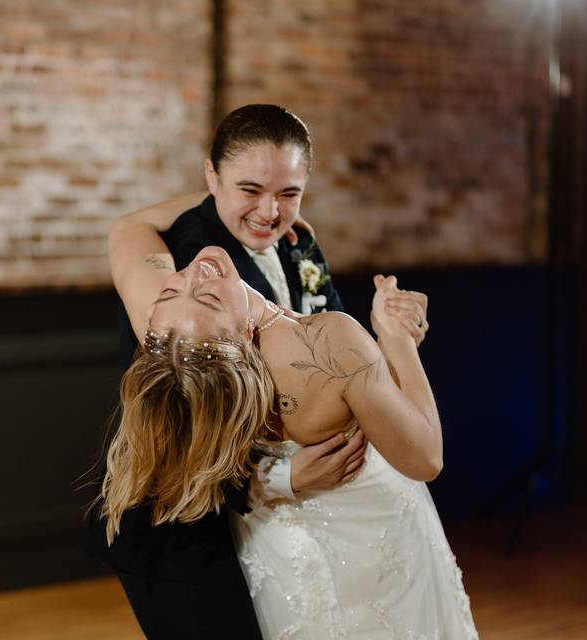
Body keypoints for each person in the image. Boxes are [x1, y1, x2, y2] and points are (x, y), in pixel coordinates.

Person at [86, 104, 432, 638]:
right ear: (211, 177)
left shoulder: (296, 242)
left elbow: (352, 379)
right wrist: (277, 477)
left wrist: (387, 339)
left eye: (289, 193)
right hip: (205, 530)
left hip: (355, 512)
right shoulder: (188, 274)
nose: (271, 212)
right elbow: (193, 419)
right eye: (249, 189)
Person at [101, 228, 478, 636]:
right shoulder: (329, 342)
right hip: (379, 541)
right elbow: (425, 457)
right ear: (244, 338)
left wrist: (233, 188)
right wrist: (396, 338)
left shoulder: (178, 356)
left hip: (278, 552)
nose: (194, 276)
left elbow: (129, 232)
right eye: (209, 298)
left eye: (168, 293)